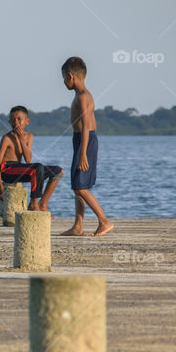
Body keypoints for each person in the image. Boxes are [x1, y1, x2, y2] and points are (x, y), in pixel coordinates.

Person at [59, 57, 114, 237]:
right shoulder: (82, 94)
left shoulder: (83, 97)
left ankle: (104, 220)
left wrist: (83, 154)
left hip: (85, 141)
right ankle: (78, 226)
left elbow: (87, 126)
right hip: (81, 140)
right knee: (78, 183)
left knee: (79, 187)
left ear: (71, 76)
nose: (63, 82)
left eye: (64, 78)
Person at [0, 105, 63, 213]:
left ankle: (42, 204)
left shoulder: (29, 136)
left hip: (20, 168)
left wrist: (21, 140)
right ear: (9, 122)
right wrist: (0, 188)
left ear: (27, 121)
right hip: (7, 170)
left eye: (19, 119)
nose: (16, 123)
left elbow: (28, 159)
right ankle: (33, 203)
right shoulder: (7, 138)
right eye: (12, 120)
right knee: (37, 167)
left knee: (57, 171)